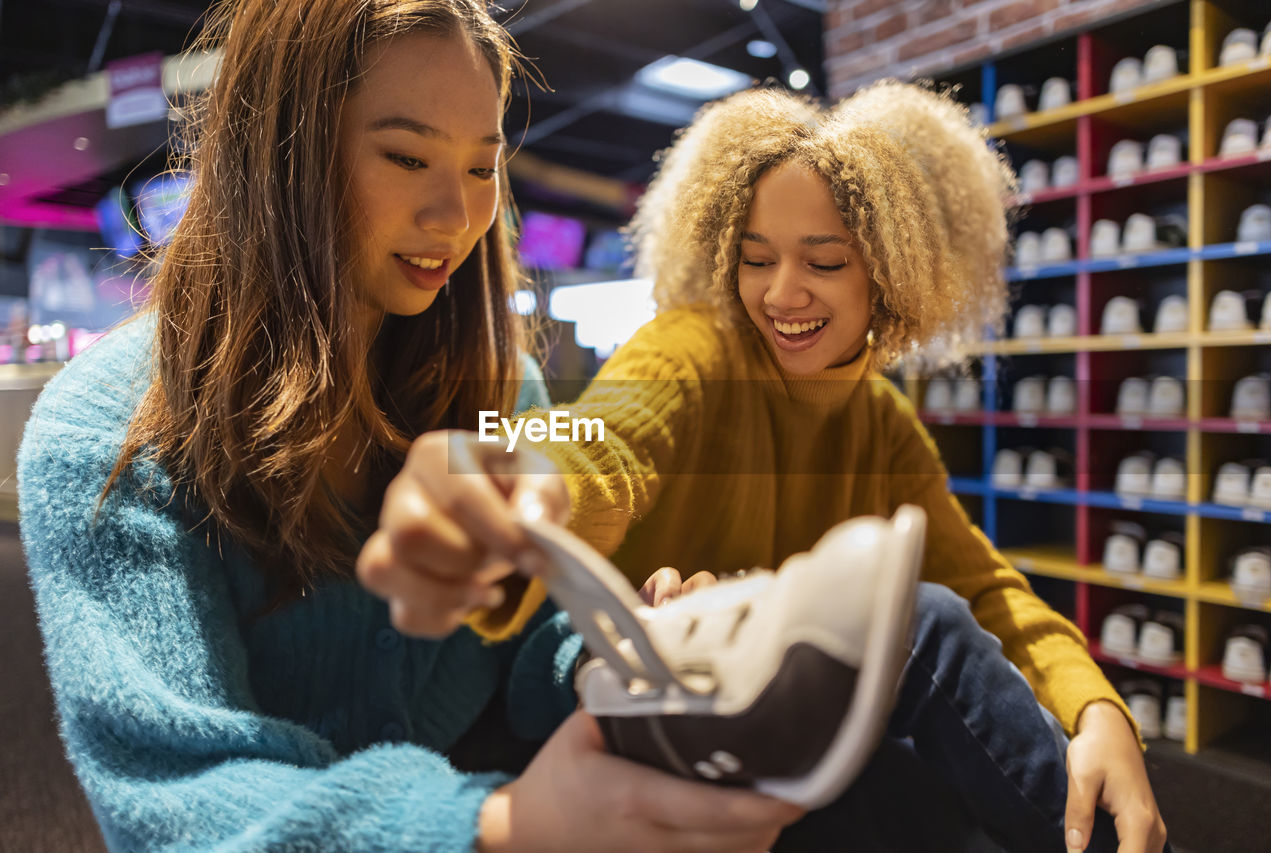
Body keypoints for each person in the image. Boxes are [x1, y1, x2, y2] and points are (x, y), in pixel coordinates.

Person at [17, 1, 805, 850]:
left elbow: (534, 623)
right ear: (276, 153)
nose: (456, 217)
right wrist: (503, 823)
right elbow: (179, 797)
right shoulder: (103, 433)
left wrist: (618, 658)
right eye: (406, 156)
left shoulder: (505, 382)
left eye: (482, 167)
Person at [357, 83, 1170, 852]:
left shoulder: (879, 421)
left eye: (823, 262)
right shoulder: (694, 349)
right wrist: (521, 488)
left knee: (913, 788)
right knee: (918, 629)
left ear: (890, 272)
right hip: (623, 702)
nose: (782, 292)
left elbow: (988, 585)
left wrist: (1097, 709)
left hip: (751, 729)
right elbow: (606, 444)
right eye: (756, 258)